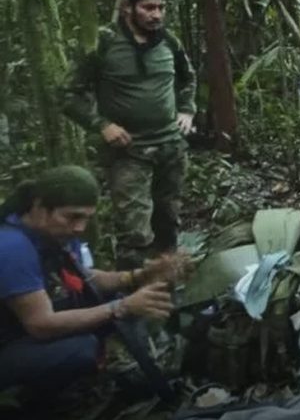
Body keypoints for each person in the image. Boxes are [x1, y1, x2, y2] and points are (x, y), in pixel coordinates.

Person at [0, 166, 186, 407]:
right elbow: (40, 325)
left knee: (115, 299)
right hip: (12, 342)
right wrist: (120, 307)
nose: (80, 227)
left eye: (86, 218)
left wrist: (139, 276)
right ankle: (29, 402)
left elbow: (84, 278)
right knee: (80, 349)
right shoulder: (12, 247)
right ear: (39, 207)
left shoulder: (54, 234)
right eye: (72, 217)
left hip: (21, 331)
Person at [62, 0, 196, 269]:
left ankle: (167, 291)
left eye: (161, 7)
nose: (156, 15)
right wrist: (102, 125)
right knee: (135, 233)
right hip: (129, 152)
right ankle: (134, 301)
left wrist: (186, 110)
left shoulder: (169, 42)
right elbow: (69, 94)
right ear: (127, 7)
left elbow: (188, 78)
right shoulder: (103, 44)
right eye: (148, 7)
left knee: (168, 222)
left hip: (170, 148)